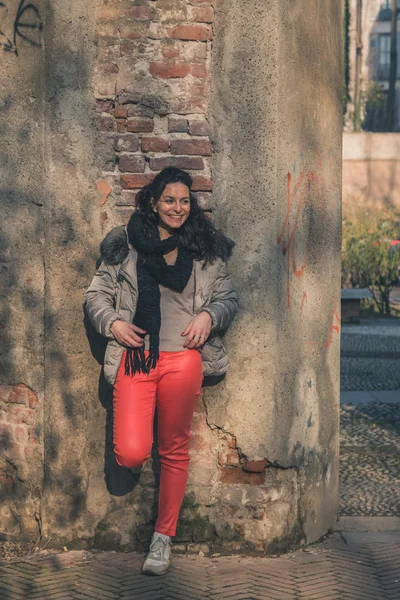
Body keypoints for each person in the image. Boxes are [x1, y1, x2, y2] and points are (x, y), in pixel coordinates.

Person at [84, 167, 238, 575]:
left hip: (183, 359)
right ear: (154, 202)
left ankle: (163, 538)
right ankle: (144, 487)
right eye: (170, 200)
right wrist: (113, 323)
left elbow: (227, 298)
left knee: (173, 449)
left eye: (185, 201)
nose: (178, 208)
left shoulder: (205, 248)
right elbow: (96, 295)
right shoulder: (125, 244)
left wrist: (209, 315)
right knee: (131, 450)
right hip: (136, 357)